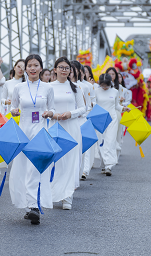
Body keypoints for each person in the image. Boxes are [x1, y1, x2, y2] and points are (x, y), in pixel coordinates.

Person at [10, 54, 55, 225]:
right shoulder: (19, 88)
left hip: (40, 131)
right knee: (22, 168)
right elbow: (13, 106)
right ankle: (28, 206)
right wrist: (14, 111)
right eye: (29, 65)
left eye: (36, 65)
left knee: (34, 168)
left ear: (41, 68)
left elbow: (52, 108)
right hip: (23, 131)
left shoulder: (47, 88)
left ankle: (34, 205)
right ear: (25, 68)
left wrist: (49, 113)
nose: (33, 68)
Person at [50, 57, 86, 210]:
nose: (64, 70)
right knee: (56, 162)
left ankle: (67, 197)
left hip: (71, 127)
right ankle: (54, 193)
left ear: (70, 71)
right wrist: (54, 115)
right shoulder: (48, 87)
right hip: (54, 127)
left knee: (71, 161)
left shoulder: (76, 88)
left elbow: (83, 108)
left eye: (66, 68)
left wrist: (70, 114)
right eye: (61, 67)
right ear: (55, 69)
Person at [95, 74, 129, 176]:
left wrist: (123, 108)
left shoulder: (114, 91)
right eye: (102, 85)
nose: (104, 87)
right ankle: (103, 163)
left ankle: (109, 166)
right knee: (101, 143)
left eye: (106, 85)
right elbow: (92, 104)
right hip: (100, 119)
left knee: (110, 141)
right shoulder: (96, 91)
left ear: (110, 83)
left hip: (112, 119)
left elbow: (116, 105)